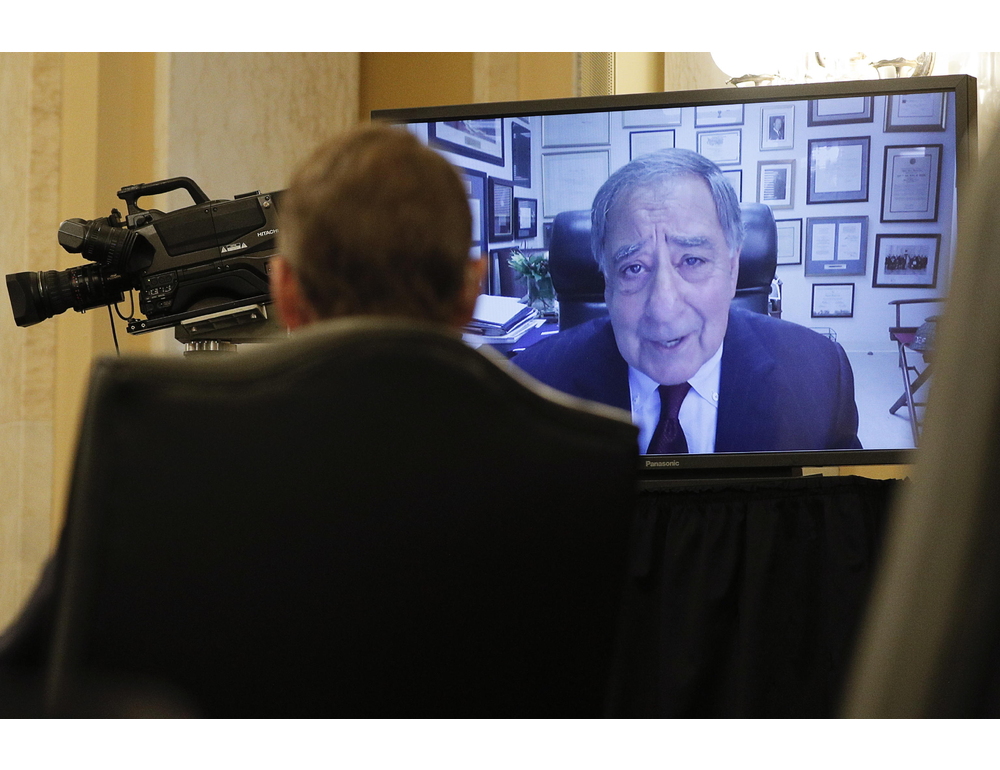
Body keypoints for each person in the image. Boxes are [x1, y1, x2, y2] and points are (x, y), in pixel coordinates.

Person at [0, 125, 494, 689]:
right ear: (472, 288)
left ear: (284, 291)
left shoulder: (150, 465)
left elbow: (32, 681)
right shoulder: (573, 465)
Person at [513, 148, 861, 453]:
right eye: (633, 268)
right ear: (607, 284)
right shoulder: (529, 388)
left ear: (732, 269)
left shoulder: (820, 378)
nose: (663, 307)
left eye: (692, 260)